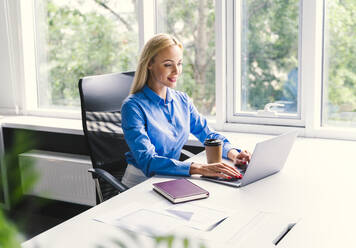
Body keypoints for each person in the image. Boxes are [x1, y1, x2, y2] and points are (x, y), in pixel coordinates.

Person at [121, 33, 251, 188]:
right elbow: (148, 160)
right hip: (140, 183)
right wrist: (200, 168)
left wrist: (234, 155)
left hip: (170, 178)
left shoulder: (181, 100)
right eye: (168, 65)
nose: (176, 71)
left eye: (180, 63)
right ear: (149, 64)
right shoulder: (133, 107)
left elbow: (208, 134)